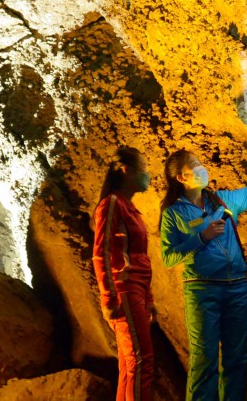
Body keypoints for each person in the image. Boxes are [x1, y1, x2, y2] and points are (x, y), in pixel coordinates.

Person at [160, 122, 247, 401]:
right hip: (203, 290)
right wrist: (200, 238)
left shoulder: (221, 200)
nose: (203, 167)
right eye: (196, 165)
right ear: (182, 177)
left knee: (237, 362)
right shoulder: (173, 214)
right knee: (204, 364)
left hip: (237, 288)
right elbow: (168, 257)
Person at [93, 146, 156, 401]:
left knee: (130, 364)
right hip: (125, 290)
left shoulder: (130, 208)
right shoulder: (111, 205)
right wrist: (109, 298)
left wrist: (149, 299)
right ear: (127, 171)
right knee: (142, 362)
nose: (147, 174)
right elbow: (101, 253)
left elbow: (141, 258)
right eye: (144, 168)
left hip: (136, 291)